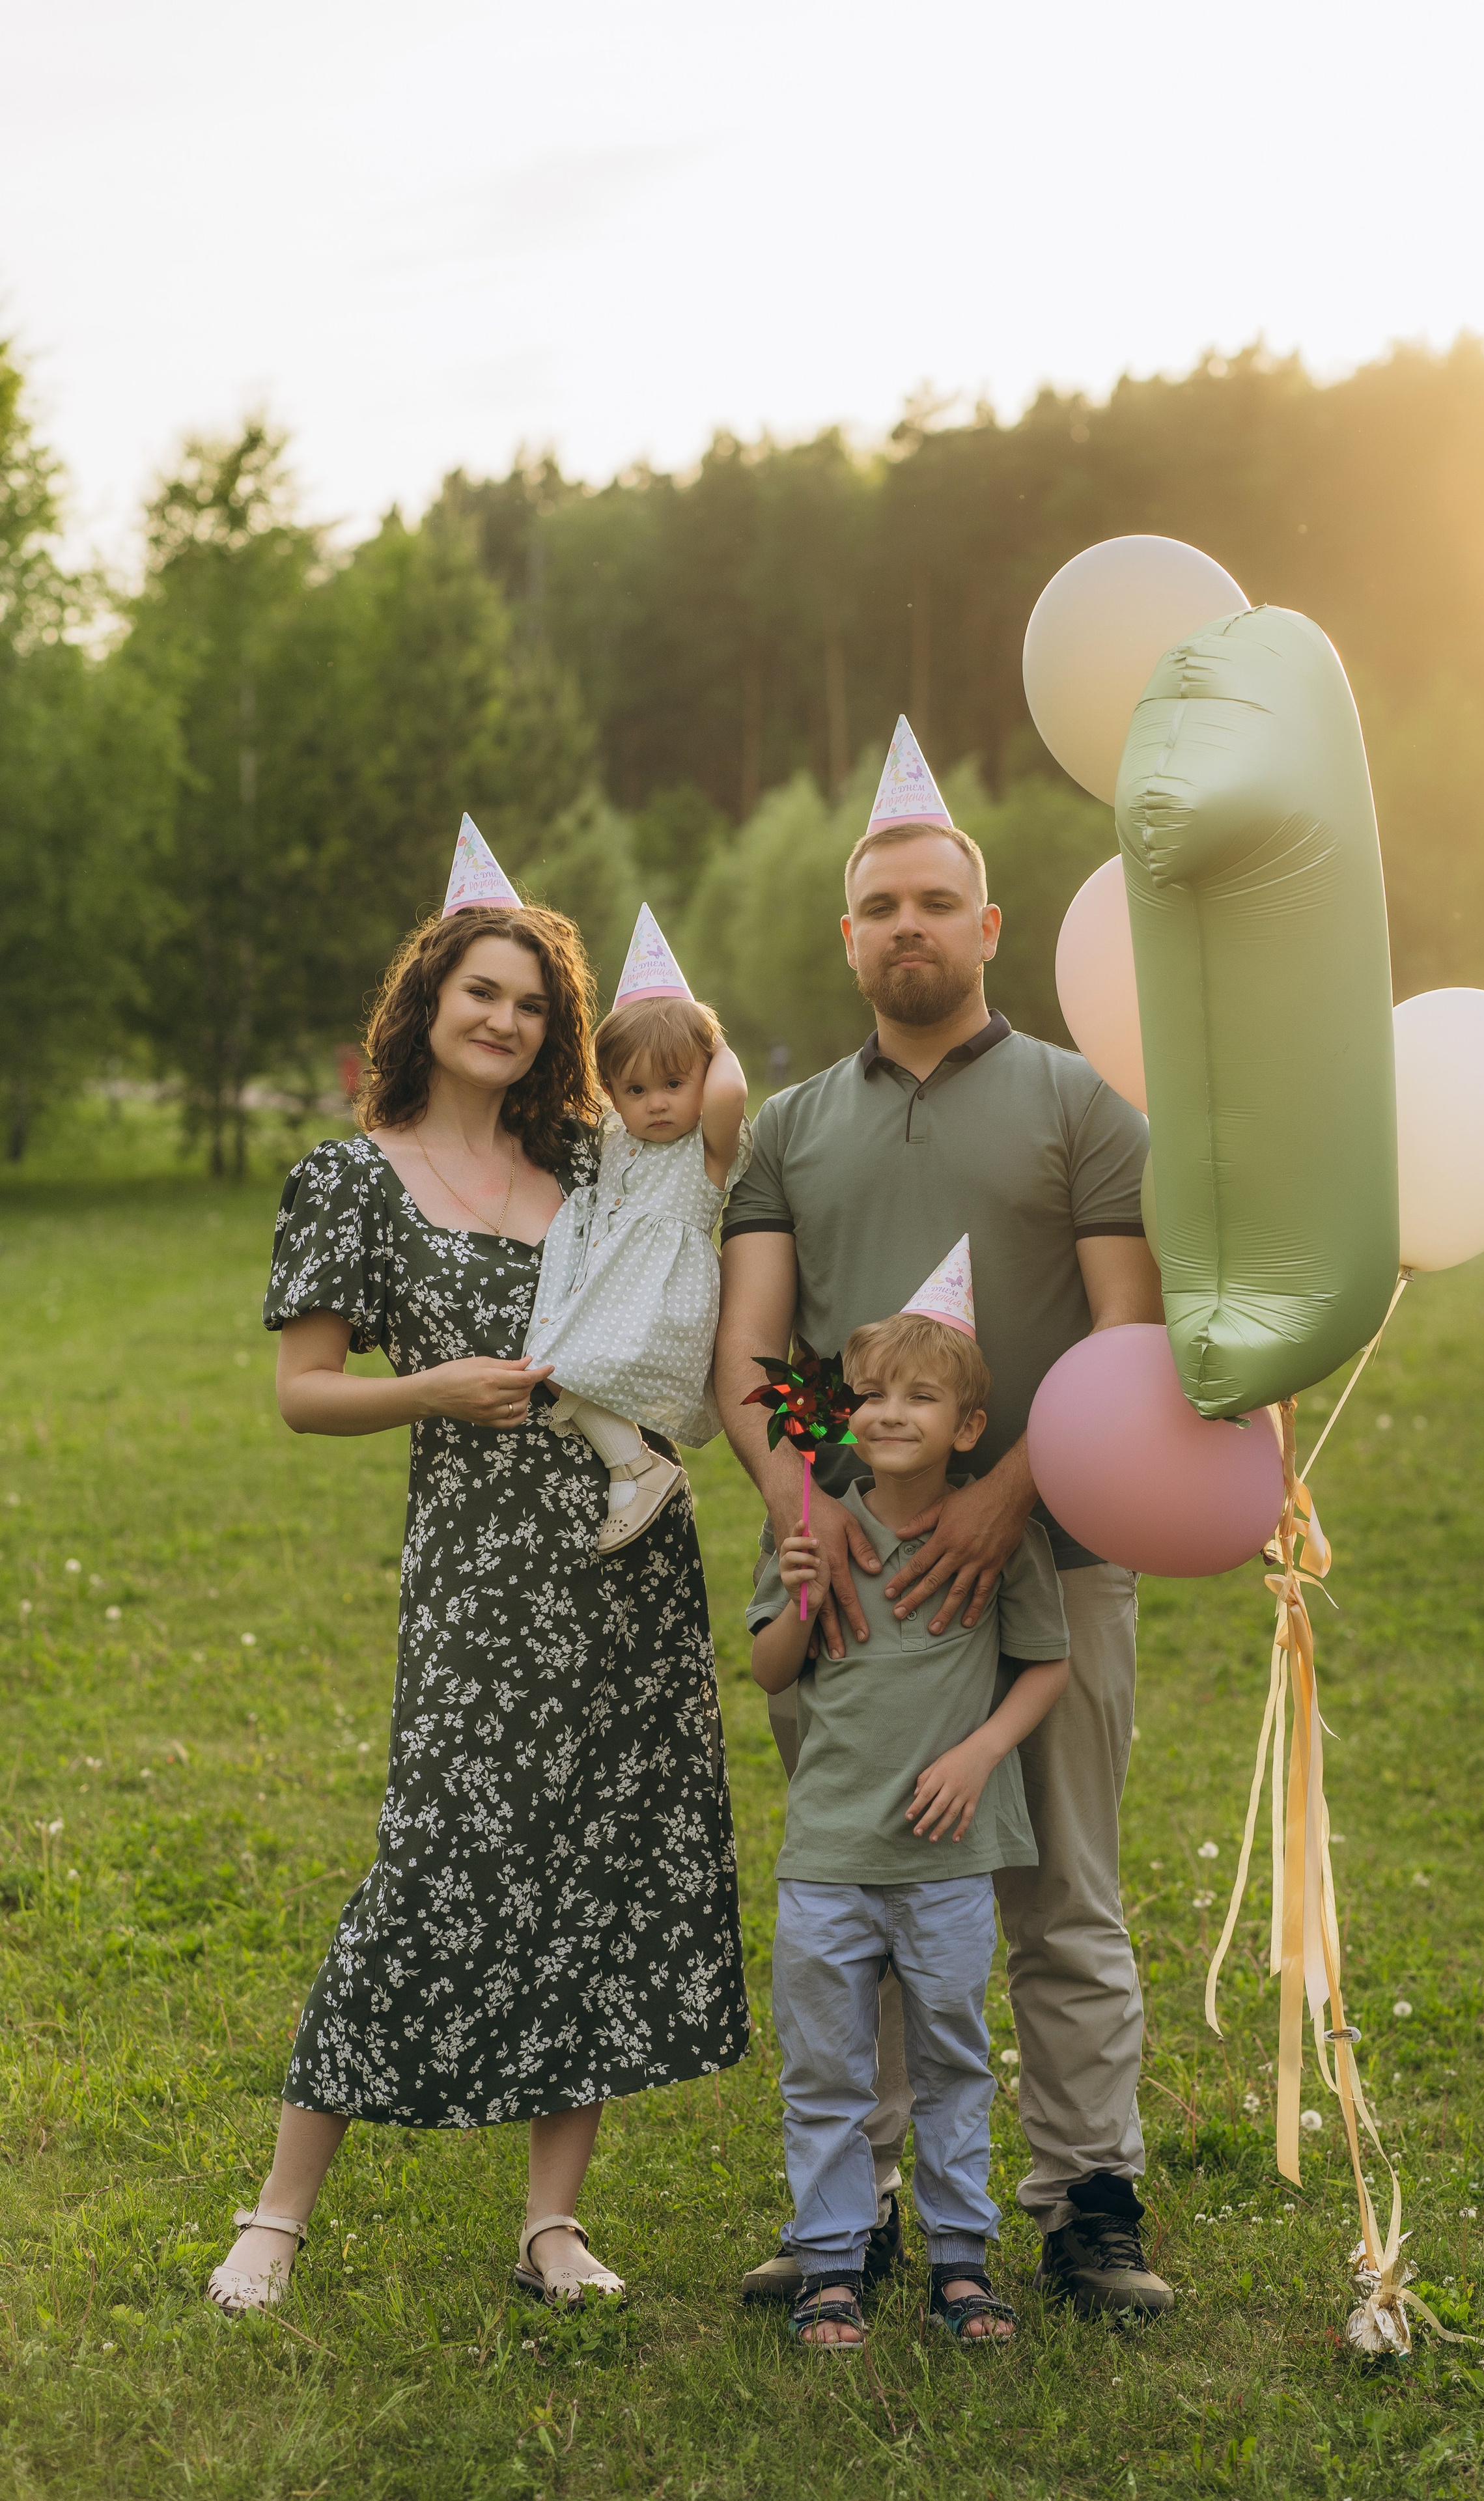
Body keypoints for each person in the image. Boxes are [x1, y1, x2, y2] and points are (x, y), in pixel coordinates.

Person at [206, 820, 749, 2321]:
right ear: (425, 1002)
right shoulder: (347, 1178)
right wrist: (431, 1388)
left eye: (530, 1001)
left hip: (626, 1549)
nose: (505, 1019)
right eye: (481, 992)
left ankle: (551, 2221)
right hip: (476, 1570)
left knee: (593, 1862)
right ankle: (278, 2209)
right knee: (435, 1856)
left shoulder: (595, 1153)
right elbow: (303, 1390)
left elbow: (721, 1166)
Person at [716, 718, 1174, 2318]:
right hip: (850, 1579)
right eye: (877, 906)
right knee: (864, 1883)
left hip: (1054, 1553)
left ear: (985, 928)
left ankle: (1082, 2198)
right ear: (846, 937)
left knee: (1056, 1888)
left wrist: (1008, 1485)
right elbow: (753, 1349)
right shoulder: (787, 1125)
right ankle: (864, 2210)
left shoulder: (1075, 1101)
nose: (904, 925)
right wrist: (805, 1502)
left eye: (933, 902)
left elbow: (1126, 1332)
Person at [750, 1279, 1069, 2353]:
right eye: (871, 1393)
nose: (888, 1412)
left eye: (918, 1397)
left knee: (952, 2057)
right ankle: (832, 2264)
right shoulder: (813, 1528)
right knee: (827, 2068)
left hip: (946, 1858)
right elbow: (768, 1671)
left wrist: (982, 1754)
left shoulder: (995, 1541)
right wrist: (798, 1593)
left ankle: (962, 2265)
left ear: (967, 1427)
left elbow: (1045, 1668)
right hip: (830, 1857)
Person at [524, 904, 748, 1554]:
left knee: (565, 1363)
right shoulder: (617, 1136)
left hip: (661, 1290)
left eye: (676, 1083)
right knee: (553, 1366)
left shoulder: (706, 1148)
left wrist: (715, 1045)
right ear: (614, 1094)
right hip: (614, 1281)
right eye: (637, 1088)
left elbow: (731, 1094)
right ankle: (636, 1469)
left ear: (703, 1079)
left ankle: (637, 1469)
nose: (656, 1103)